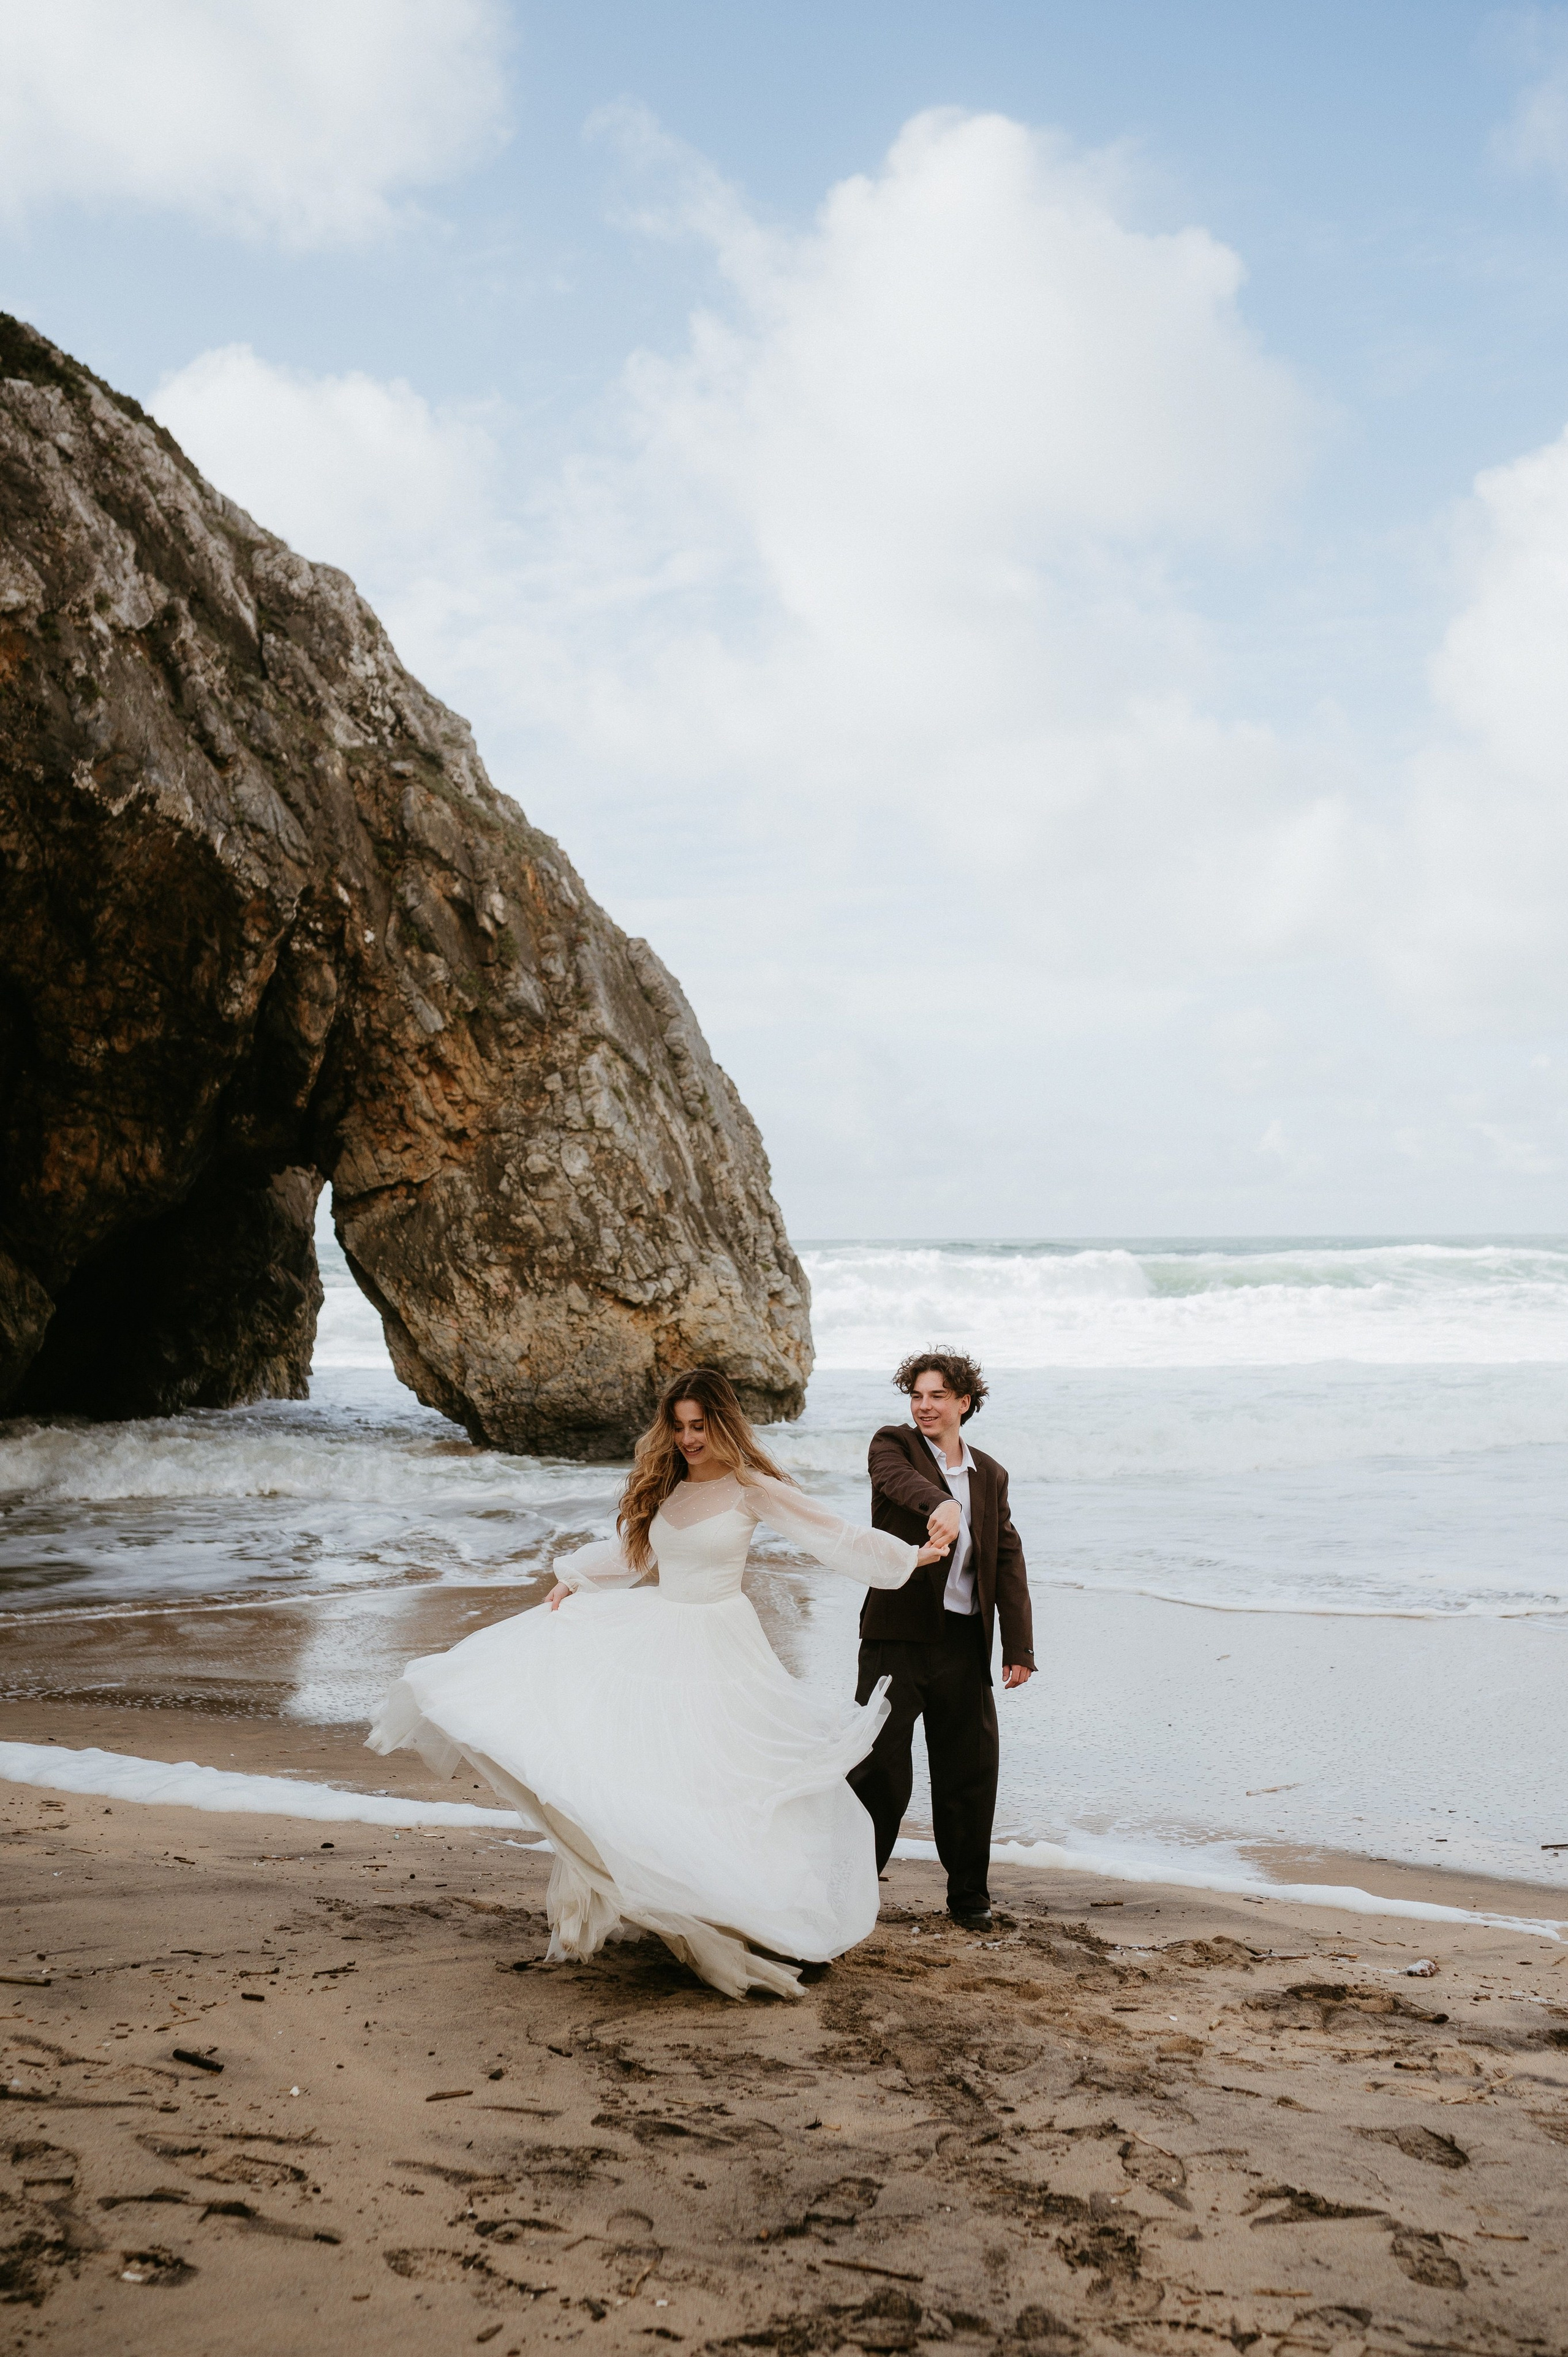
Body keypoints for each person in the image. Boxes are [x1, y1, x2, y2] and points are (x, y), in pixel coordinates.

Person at [365, 1367, 952, 2000]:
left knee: (729, 1779)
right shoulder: (667, 1487)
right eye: (678, 1426)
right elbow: (632, 1552)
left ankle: (759, 1914)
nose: (688, 1438)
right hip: (659, 1636)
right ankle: (693, 1899)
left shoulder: (751, 1487)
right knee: (660, 1774)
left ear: (722, 1422)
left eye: (699, 1425)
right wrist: (572, 1579)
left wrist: (907, 1556)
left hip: (722, 1643)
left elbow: (829, 1532)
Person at [848, 1349, 1035, 1933]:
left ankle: (969, 1897)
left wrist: (1018, 1646)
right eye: (916, 1395)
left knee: (969, 1773)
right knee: (878, 1773)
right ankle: (850, 1888)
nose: (924, 1406)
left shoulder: (991, 1474)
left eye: (937, 1396)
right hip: (896, 1639)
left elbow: (1007, 1558)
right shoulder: (893, 1445)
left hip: (962, 1641)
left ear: (964, 1403)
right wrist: (944, 1503)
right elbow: (899, 1484)